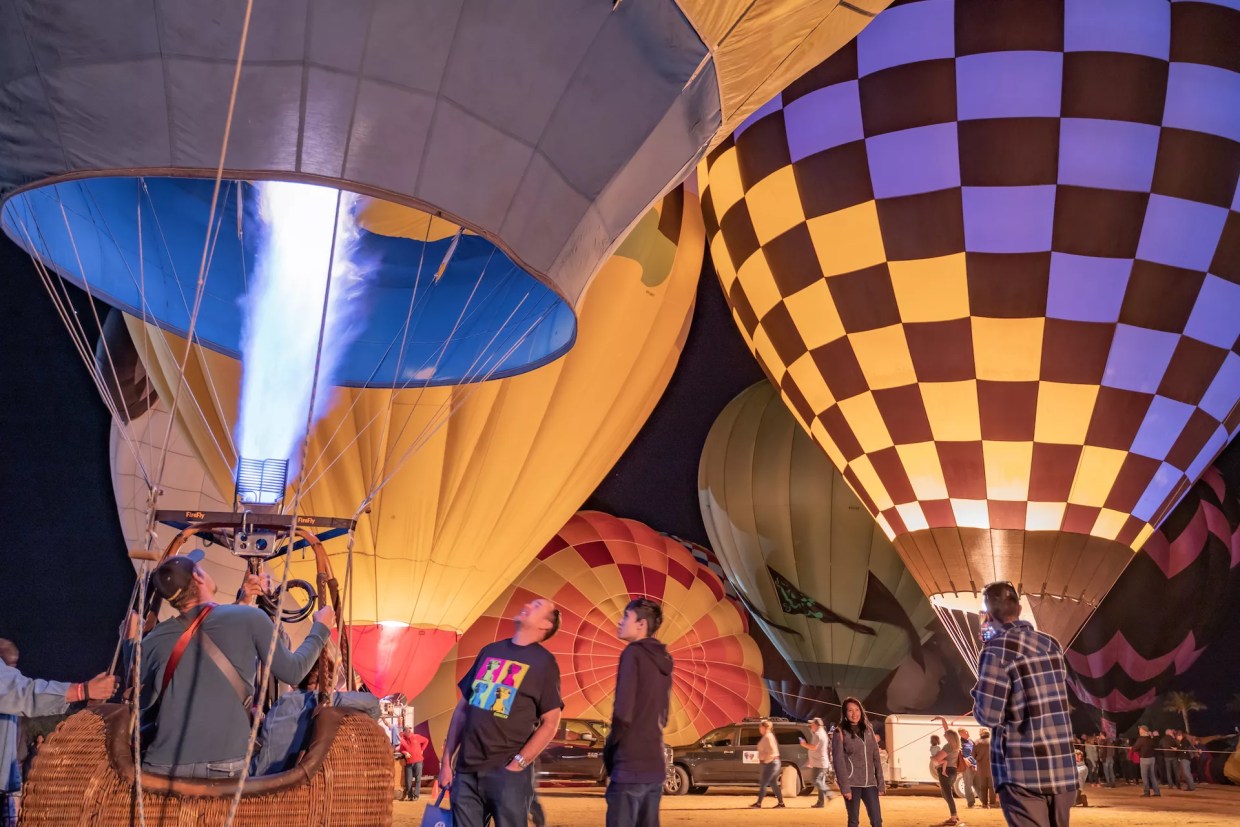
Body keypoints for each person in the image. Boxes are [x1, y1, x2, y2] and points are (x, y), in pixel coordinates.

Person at [133, 550, 333, 778]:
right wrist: (321, 628)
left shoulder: (153, 640)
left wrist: (243, 600)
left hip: (161, 768)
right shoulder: (250, 619)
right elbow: (294, 672)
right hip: (223, 767)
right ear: (198, 578)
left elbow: (145, 701)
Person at [438, 598, 563, 827]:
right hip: (466, 771)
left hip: (507, 775)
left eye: (536, 607)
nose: (526, 605)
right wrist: (447, 763)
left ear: (545, 625)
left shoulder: (544, 663)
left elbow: (551, 722)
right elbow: (463, 710)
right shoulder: (490, 651)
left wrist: (518, 764)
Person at [972, 581, 1077, 827]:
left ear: (988, 614)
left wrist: (979, 689)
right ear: (1019, 609)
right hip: (1062, 768)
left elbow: (987, 715)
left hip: (1021, 771)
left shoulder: (995, 650)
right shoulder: (1051, 645)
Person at [250, 645, 379, 776]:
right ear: (324, 681)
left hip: (257, 775)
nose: (332, 689)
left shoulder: (282, 702)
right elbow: (372, 703)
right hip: (289, 783)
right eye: (330, 684)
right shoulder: (316, 699)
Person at [603, 598, 673, 827]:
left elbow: (623, 713)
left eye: (626, 617)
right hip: (654, 765)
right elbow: (664, 715)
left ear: (641, 624)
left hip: (629, 764)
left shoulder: (632, 653)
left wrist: (610, 751)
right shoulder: (664, 659)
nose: (619, 621)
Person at [831, 697, 883, 827]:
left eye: (857, 709)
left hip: (870, 784)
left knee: (877, 821)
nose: (854, 713)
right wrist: (845, 787)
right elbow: (838, 762)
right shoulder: (840, 732)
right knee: (853, 821)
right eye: (850, 710)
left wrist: (880, 783)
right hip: (852, 784)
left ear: (861, 711)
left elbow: (876, 758)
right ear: (845, 713)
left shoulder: (868, 730)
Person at [930, 716, 961, 825]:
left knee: (947, 793)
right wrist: (941, 719)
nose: (944, 734)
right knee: (945, 792)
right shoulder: (955, 744)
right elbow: (946, 729)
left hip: (946, 771)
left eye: (946, 734)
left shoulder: (948, 746)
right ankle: (954, 815)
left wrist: (932, 758)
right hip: (953, 770)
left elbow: (937, 759)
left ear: (949, 737)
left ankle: (953, 816)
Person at [799, 717, 833, 807]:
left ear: (816, 725)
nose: (811, 725)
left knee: (816, 780)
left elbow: (814, 747)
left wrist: (804, 744)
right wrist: (810, 760)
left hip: (820, 763)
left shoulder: (818, 734)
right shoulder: (821, 733)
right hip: (819, 762)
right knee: (819, 782)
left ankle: (828, 794)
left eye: (812, 724)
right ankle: (820, 802)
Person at [750, 719, 785, 809]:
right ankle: (781, 803)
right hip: (771, 763)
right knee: (773, 783)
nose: (759, 729)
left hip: (771, 763)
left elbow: (772, 751)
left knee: (764, 783)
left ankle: (758, 804)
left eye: (760, 727)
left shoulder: (768, 737)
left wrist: (765, 760)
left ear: (764, 727)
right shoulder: (767, 736)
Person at [399, 725, 430, 800]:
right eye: (407, 730)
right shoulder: (402, 740)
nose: (409, 731)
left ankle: (416, 796)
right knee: (408, 780)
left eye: (409, 729)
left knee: (418, 779)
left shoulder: (416, 736)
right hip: (409, 763)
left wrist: (422, 749)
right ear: (404, 732)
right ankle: (410, 796)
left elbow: (426, 741)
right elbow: (401, 749)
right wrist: (405, 753)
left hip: (418, 761)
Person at [1134, 726, 1160, 797]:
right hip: (1152, 759)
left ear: (1143, 731)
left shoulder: (1141, 739)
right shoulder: (1150, 739)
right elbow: (1155, 745)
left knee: (1144, 776)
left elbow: (1135, 748)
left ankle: (1147, 792)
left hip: (1144, 759)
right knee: (1152, 776)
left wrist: (1133, 748)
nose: (1139, 731)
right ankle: (1157, 792)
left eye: (1140, 729)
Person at [960, 728, 978, 808]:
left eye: (967, 731)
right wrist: (968, 763)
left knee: (977, 783)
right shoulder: (961, 743)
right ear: (961, 734)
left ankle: (984, 801)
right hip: (967, 766)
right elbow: (961, 755)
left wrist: (976, 764)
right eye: (965, 732)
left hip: (975, 764)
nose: (968, 732)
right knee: (968, 784)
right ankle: (970, 802)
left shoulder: (971, 740)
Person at [976, 730, 994, 808]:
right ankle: (993, 803)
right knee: (992, 787)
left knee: (983, 787)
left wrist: (978, 758)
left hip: (981, 768)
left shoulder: (977, 742)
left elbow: (973, 755)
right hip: (992, 768)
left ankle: (984, 803)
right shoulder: (993, 742)